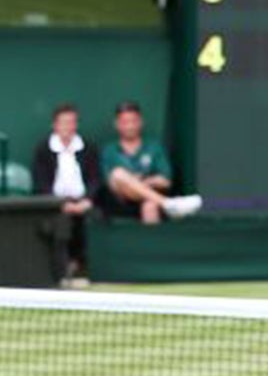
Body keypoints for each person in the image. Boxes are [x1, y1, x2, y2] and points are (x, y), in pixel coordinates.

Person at [33, 103, 102, 288]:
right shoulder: (43, 149)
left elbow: (95, 179)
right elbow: (40, 183)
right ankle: (62, 271)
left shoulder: (88, 148)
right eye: (64, 122)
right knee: (61, 221)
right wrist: (57, 204)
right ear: (54, 125)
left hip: (84, 202)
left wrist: (87, 200)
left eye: (72, 122)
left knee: (93, 218)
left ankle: (85, 270)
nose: (68, 127)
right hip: (55, 204)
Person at [100, 101, 199, 225]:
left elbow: (165, 181)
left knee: (150, 206)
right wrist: (135, 181)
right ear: (117, 124)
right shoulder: (109, 150)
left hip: (150, 198)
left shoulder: (154, 147)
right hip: (121, 202)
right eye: (125, 122)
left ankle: (153, 241)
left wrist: (137, 182)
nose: (130, 126)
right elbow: (112, 183)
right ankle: (167, 203)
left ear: (141, 122)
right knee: (118, 173)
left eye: (133, 121)